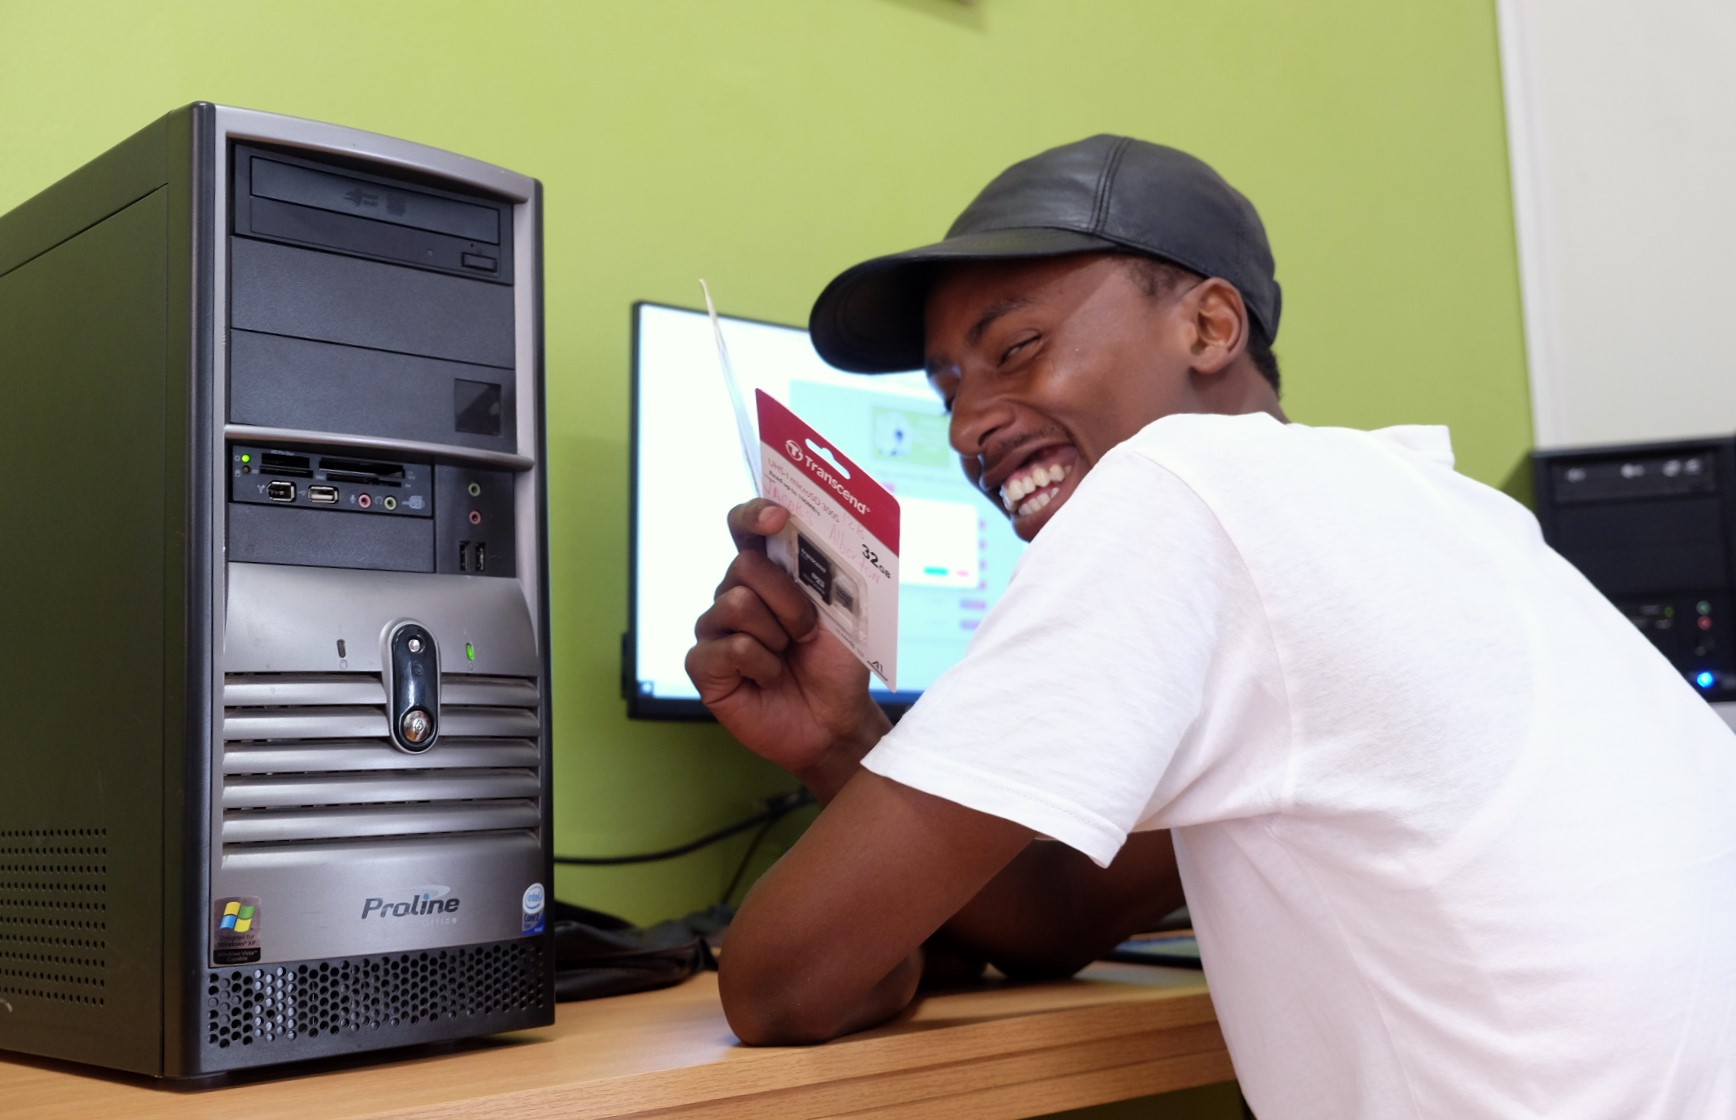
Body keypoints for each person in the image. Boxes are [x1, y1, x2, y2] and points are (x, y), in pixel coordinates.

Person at [684, 135, 1736, 1118]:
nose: (966, 424)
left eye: (1016, 347)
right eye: (948, 386)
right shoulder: (1432, 511)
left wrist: (857, 921)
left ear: (1207, 326)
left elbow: (777, 982)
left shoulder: (1178, 484)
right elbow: (1056, 915)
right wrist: (839, 737)